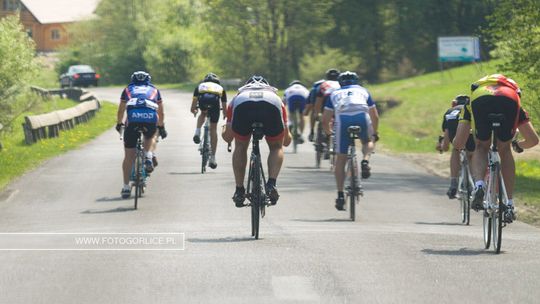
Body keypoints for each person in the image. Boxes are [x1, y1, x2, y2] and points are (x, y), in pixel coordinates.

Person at [454, 74, 539, 222]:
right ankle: (509, 204)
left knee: (481, 147)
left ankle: (479, 186)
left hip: (481, 100)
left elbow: (459, 142)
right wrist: (517, 144)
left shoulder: (472, 97)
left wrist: (458, 142)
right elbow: (533, 140)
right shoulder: (514, 96)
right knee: (504, 150)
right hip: (508, 99)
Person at [222, 76, 291, 207]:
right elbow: (286, 141)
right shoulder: (276, 97)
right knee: (276, 147)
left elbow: (228, 137)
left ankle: (239, 190)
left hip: (243, 105)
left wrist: (223, 129)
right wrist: (281, 141)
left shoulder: (238, 96)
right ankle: (271, 184)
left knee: (241, 146)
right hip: (271, 105)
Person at [322, 71, 379, 211]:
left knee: (340, 159)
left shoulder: (334, 94)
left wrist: (329, 133)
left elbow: (325, 119)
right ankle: (365, 160)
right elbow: (375, 116)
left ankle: (340, 195)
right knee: (367, 141)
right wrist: (375, 133)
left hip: (343, 119)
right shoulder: (363, 91)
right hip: (361, 116)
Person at [116, 71, 167, 199]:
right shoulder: (154, 90)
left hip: (132, 121)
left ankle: (126, 187)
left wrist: (119, 123)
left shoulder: (128, 89)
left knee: (128, 156)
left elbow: (121, 109)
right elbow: (161, 111)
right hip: (150, 119)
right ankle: (148, 155)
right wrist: (161, 126)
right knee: (151, 135)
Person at [436, 95, 476, 199]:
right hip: (470, 128)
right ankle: (475, 182)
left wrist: (441, 146)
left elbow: (445, 146)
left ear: (454, 104)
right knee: (472, 154)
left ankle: (453, 182)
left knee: (456, 149)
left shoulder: (450, 111)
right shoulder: (471, 109)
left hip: (454, 126)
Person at [191, 72, 227, 169]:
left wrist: (194, 110)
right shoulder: (220, 88)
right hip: (214, 106)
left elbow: (193, 106)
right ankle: (213, 158)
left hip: (203, 103)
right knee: (213, 129)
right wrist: (224, 114)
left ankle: (197, 132)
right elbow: (224, 106)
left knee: (203, 113)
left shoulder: (200, 86)